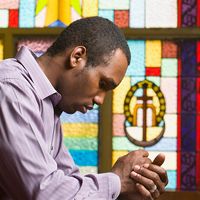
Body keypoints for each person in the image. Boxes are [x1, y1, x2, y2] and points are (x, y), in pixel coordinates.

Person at [0, 16, 168, 200]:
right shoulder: (11, 89)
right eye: (102, 83)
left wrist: (127, 189)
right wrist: (117, 181)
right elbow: (46, 193)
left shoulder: (48, 104)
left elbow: (69, 185)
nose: (100, 100)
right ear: (77, 56)